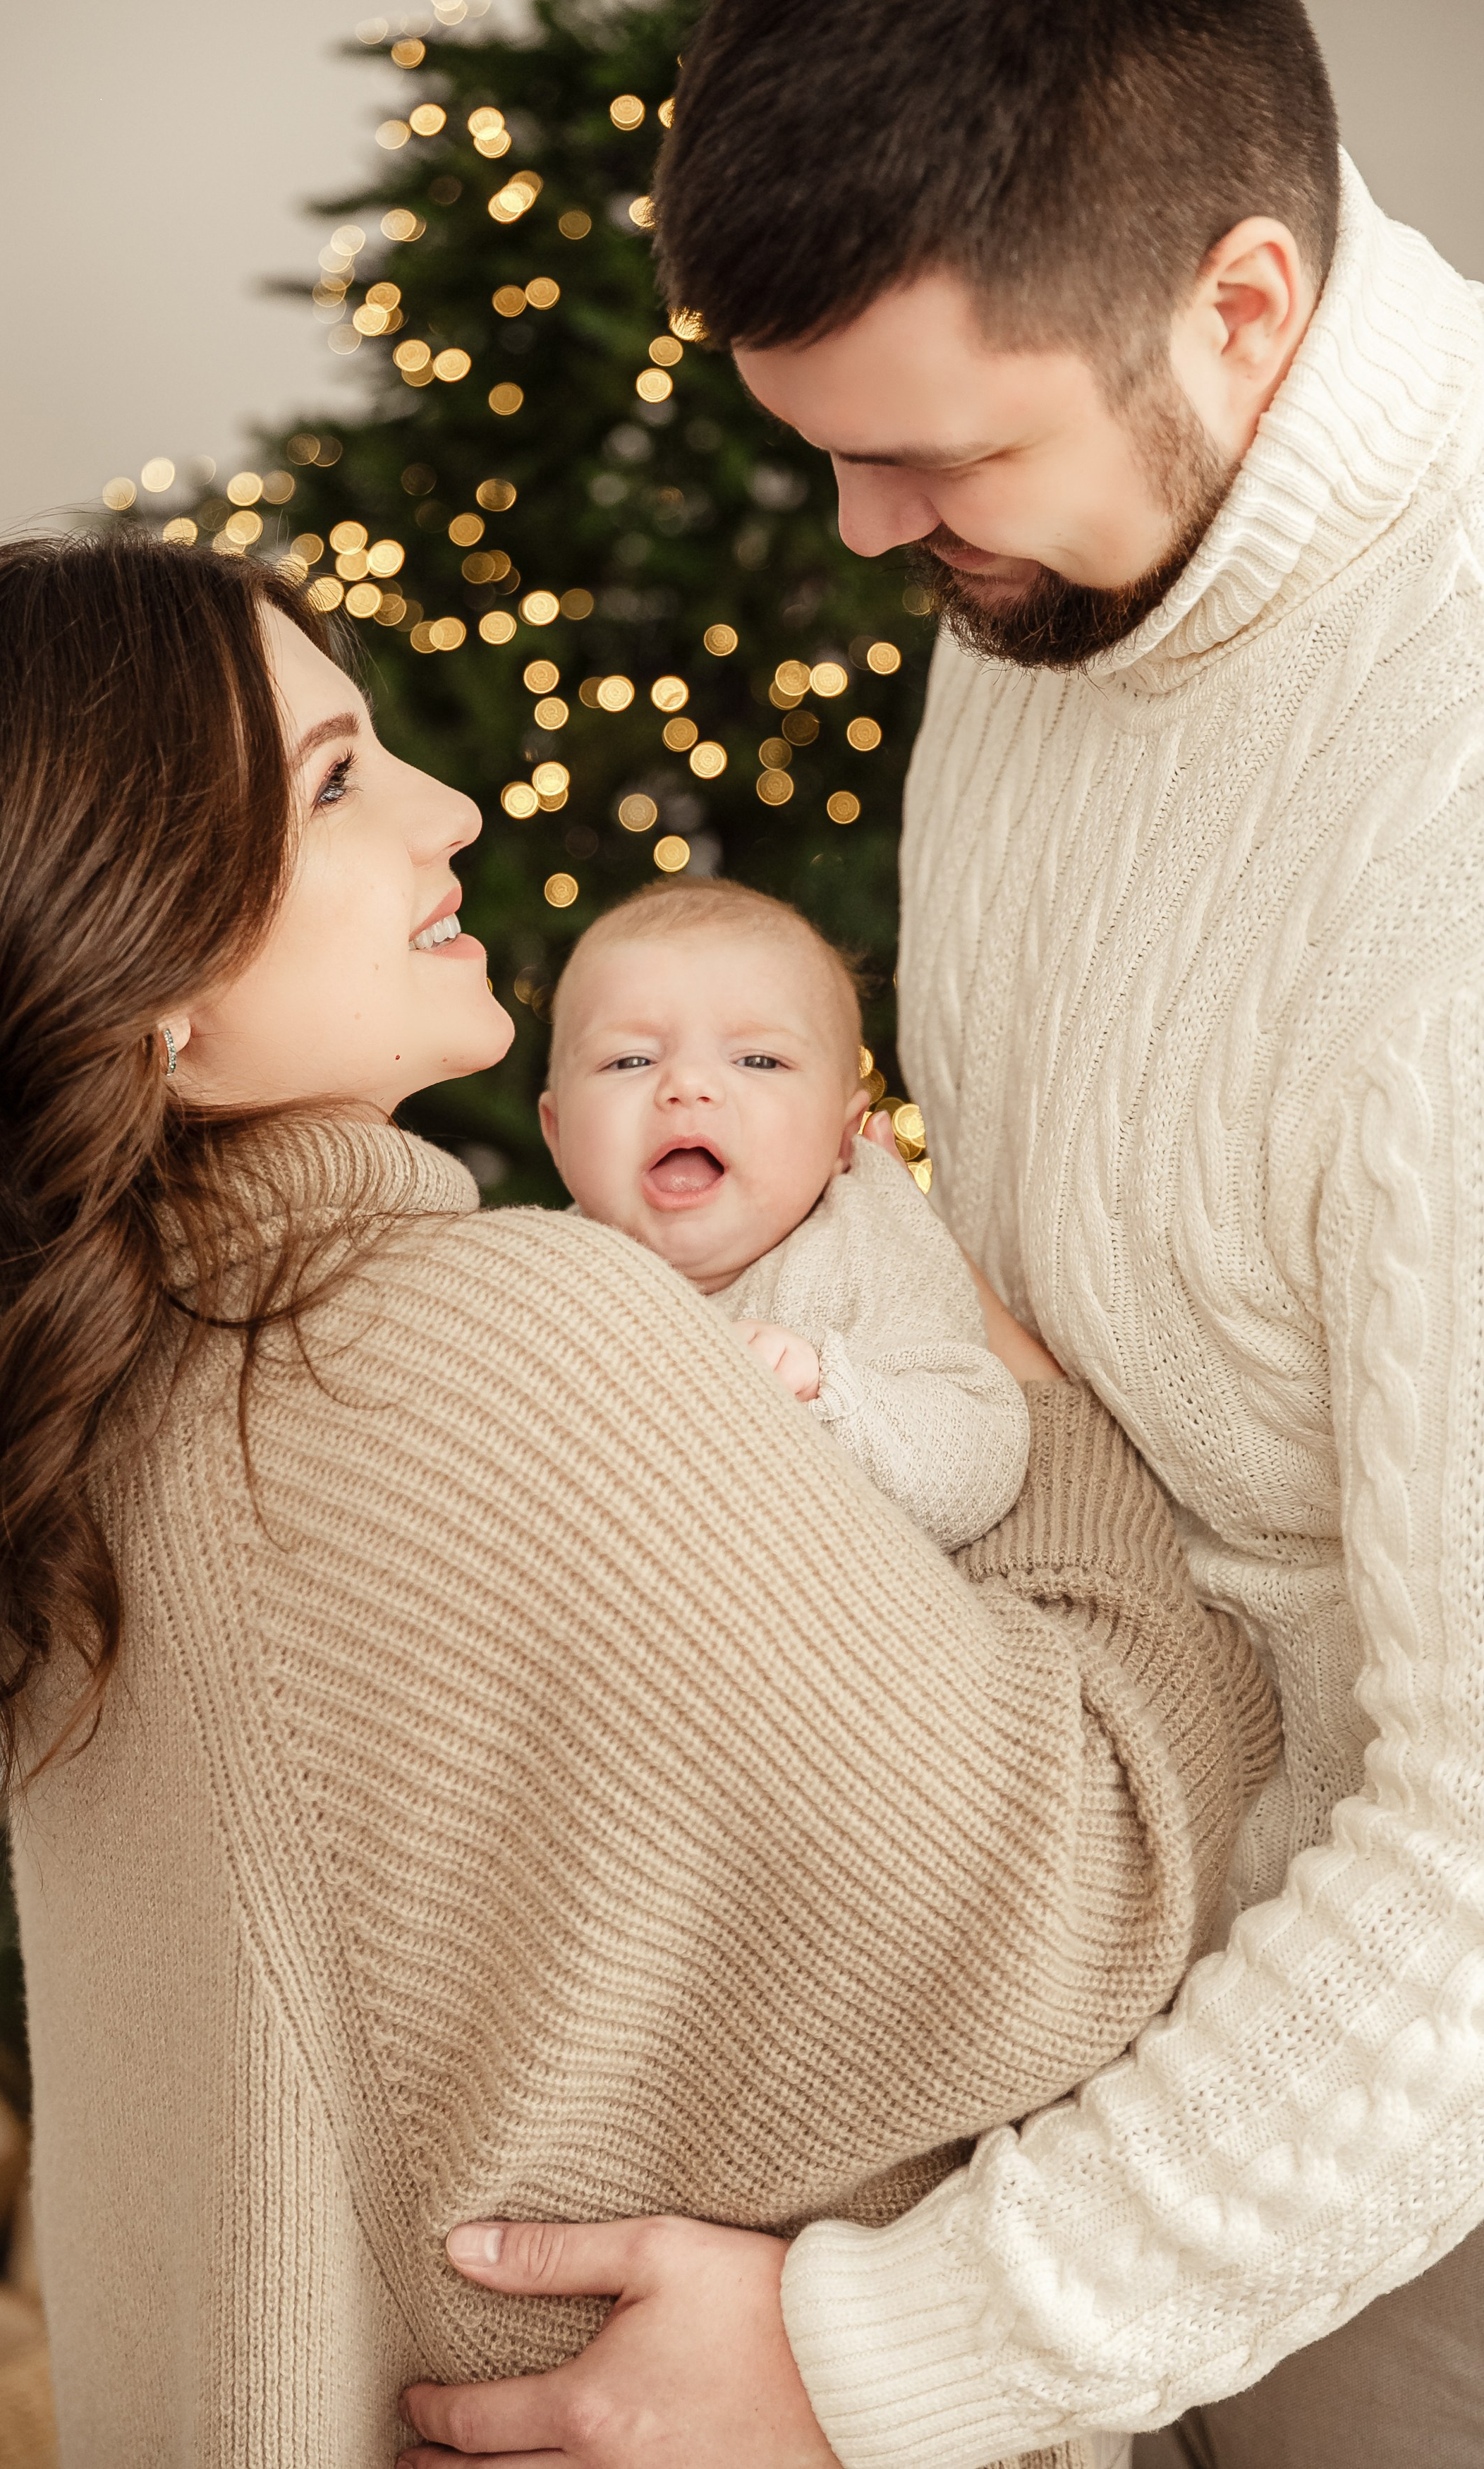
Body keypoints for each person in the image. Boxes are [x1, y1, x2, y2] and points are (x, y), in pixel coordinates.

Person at [0, 535, 1279, 2469]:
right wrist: (1042, 1421)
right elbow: (1084, 1891)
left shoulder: (97, 1424)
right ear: (144, 965)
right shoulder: (485, 1335)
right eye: (340, 779)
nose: (449, 809)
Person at [399, 4, 1484, 2466]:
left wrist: (882, 2352)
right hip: (1092, 1989)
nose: (872, 537)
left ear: (1236, 311)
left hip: (1398, 2150)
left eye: (932, 456)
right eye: (833, 451)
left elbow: (1479, 1877)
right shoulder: (1082, 547)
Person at [540, 878, 1030, 1549]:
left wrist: (828, 1393)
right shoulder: (541, 1278)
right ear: (557, 1131)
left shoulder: (866, 1243)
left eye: (758, 1059)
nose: (687, 1087)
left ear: (843, 1135)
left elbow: (978, 1457)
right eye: (631, 1059)